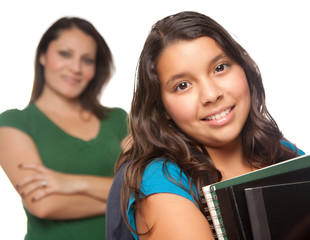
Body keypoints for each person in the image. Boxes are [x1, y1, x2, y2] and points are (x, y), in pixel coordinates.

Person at [105, 11, 305, 240]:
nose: (211, 95)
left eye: (220, 68)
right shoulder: (161, 181)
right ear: (162, 109)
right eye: (183, 85)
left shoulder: (281, 151)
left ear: (245, 70)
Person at [0, 17, 128, 240]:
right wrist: (123, 201)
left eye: (87, 60)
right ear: (43, 56)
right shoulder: (15, 123)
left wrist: (71, 183)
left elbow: (141, 185)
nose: (76, 68)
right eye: (65, 54)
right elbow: (44, 205)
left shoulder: (117, 119)